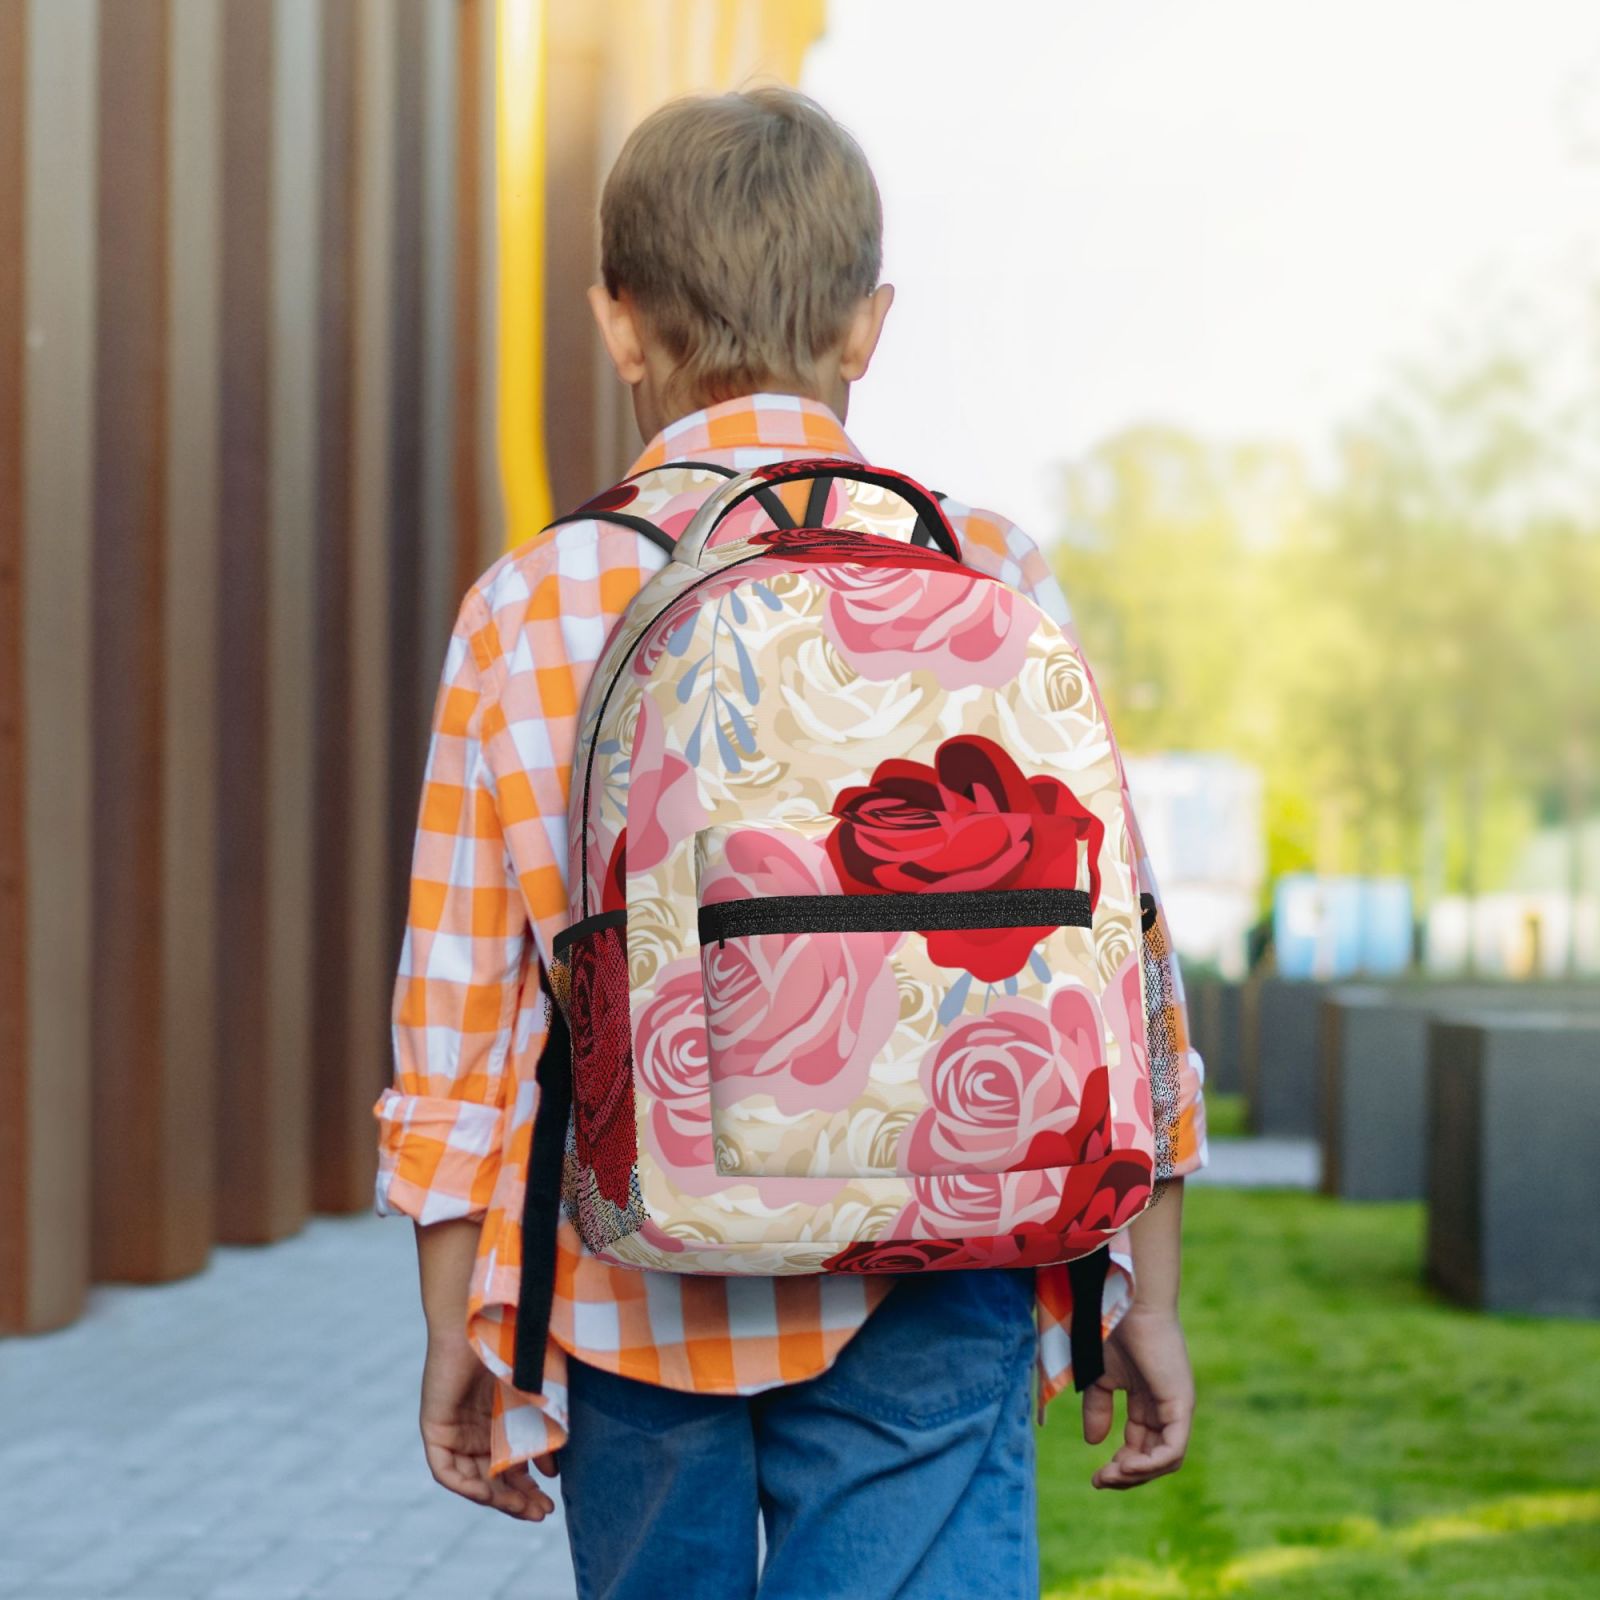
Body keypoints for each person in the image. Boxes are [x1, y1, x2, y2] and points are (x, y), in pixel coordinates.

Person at [375, 86, 1209, 1600]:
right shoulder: (984, 567)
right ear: (867, 326)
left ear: (618, 323)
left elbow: (461, 1020)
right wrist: (1138, 1284)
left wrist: (463, 1324)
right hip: (943, 1247)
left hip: (633, 1269)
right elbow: (1115, 948)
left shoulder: (530, 604)